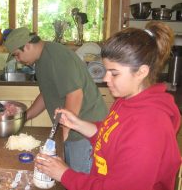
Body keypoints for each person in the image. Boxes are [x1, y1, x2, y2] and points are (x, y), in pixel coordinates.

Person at [35, 21, 181, 190]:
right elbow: (109, 136)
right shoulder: (126, 101)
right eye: (106, 70)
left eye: (114, 73)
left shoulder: (149, 127)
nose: (105, 79)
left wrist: (64, 174)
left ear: (141, 72)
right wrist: (78, 124)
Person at [4, 27, 108, 173]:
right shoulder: (41, 61)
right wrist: (24, 117)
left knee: (81, 181)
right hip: (74, 130)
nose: (18, 60)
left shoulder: (56, 56)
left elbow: (75, 94)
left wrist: (62, 138)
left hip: (85, 133)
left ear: (27, 45)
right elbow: (46, 94)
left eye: (17, 55)